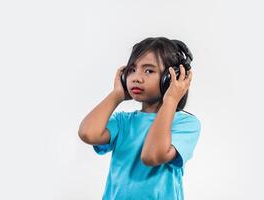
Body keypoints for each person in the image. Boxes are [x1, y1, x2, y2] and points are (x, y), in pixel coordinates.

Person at [78, 37, 201, 200]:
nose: (136, 77)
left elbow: (152, 156)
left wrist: (171, 99)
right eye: (132, 70)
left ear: (171, 78)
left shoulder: (185, 124)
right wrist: (116, 95)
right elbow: (88, 133)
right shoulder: (123, 121)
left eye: (149, 71)